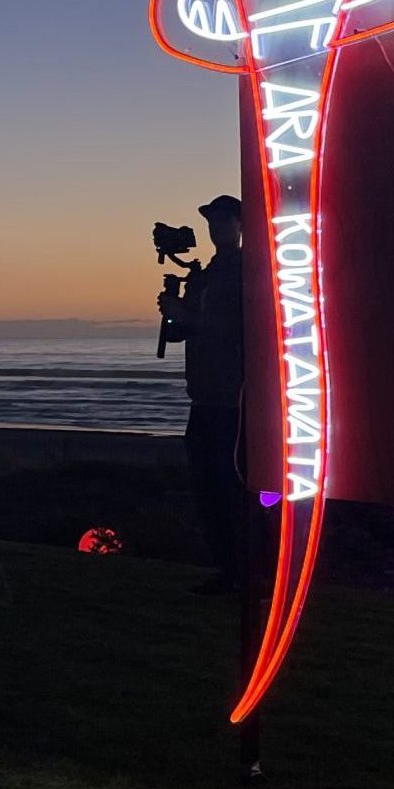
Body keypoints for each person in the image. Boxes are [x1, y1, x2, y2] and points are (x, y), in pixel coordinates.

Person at [155, 194, 246, 595]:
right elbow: (182, 330)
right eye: (214, 222)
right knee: (208, 486)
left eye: (225, 221)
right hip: (205, 396)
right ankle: (228, 569)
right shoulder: (206, 274)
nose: (218, 228)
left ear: (240, 225)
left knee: (230, 486)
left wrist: (184, 312)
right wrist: (173, 312)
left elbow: (229, 327)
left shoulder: (244, 272)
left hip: (232, 400)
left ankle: (244, 571)